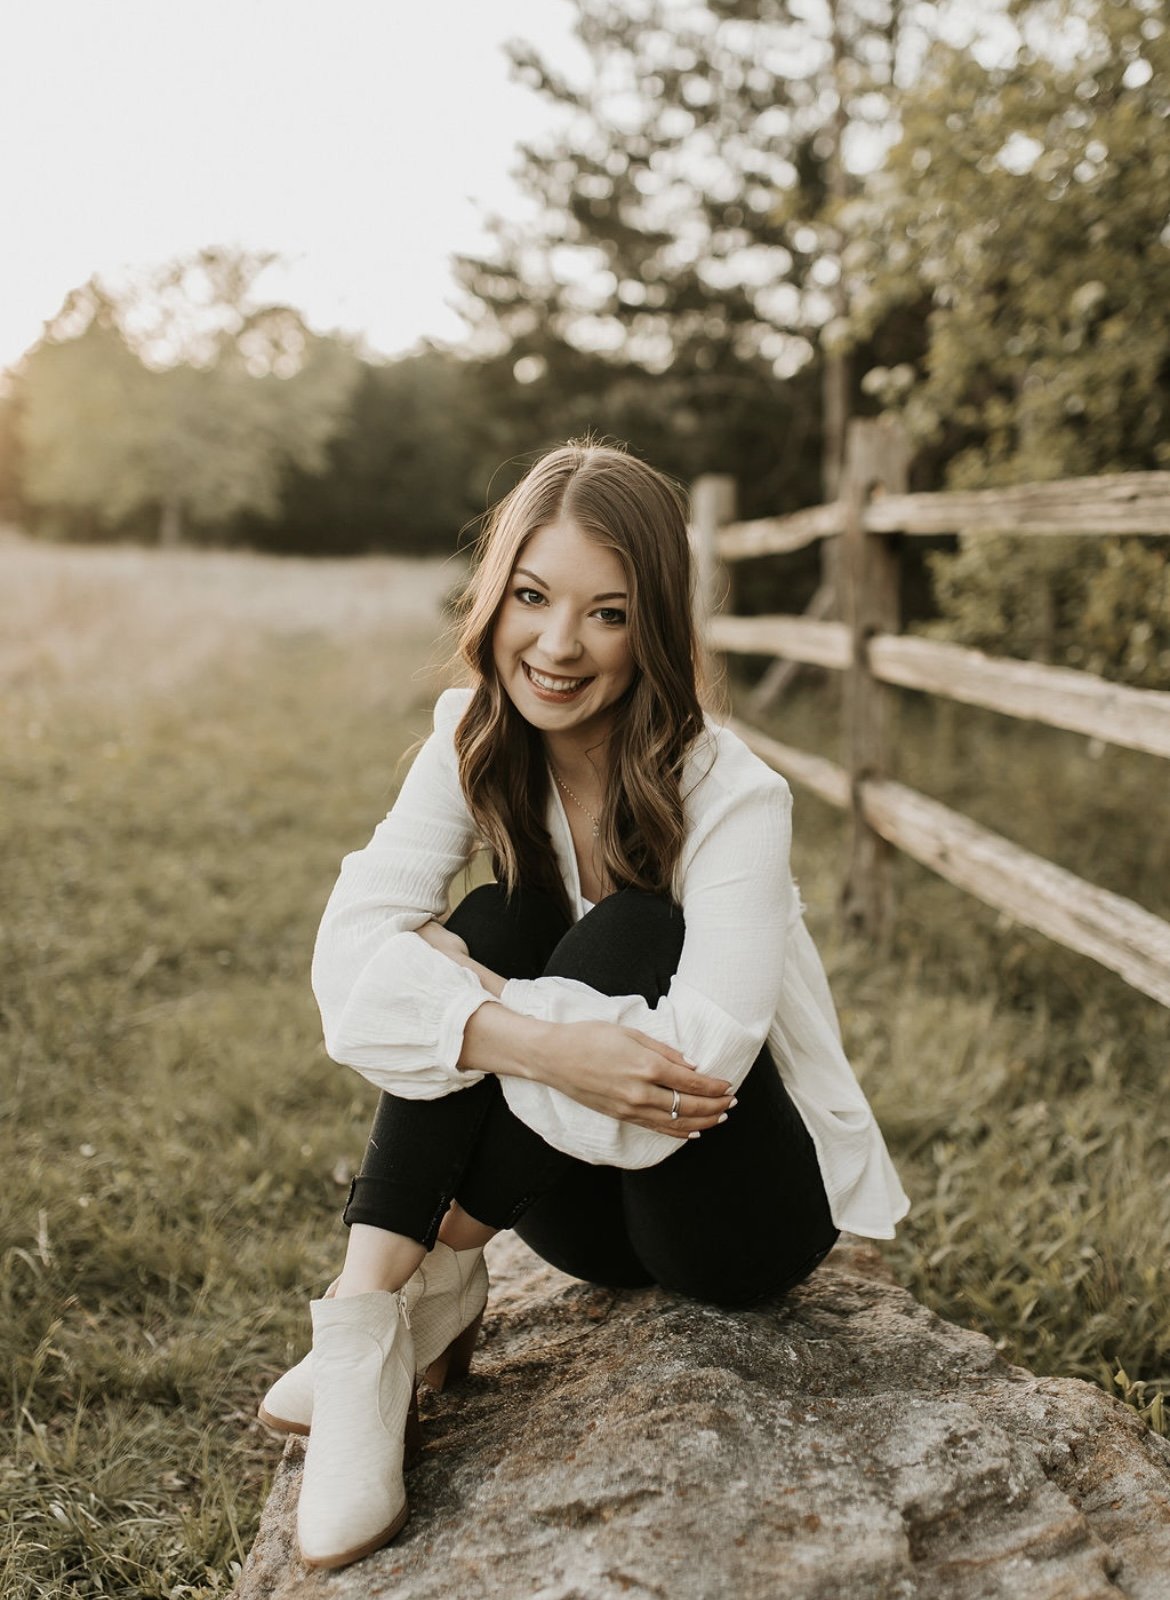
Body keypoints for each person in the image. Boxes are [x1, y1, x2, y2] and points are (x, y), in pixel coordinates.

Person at [257, 440, 909, 1570]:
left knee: (630, 930)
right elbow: (346, 976)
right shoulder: (469, 741)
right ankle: (374, 1324)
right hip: (575, 1211)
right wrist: (525, 1029)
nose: (557, 646)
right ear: (496, 592)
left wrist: (474, 1005)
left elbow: (702, 1055)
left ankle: (439, 1271)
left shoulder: (732, 791)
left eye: (606, 614)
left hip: (727, 1209)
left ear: (652, 628)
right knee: (504, 917)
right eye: (532, 597)